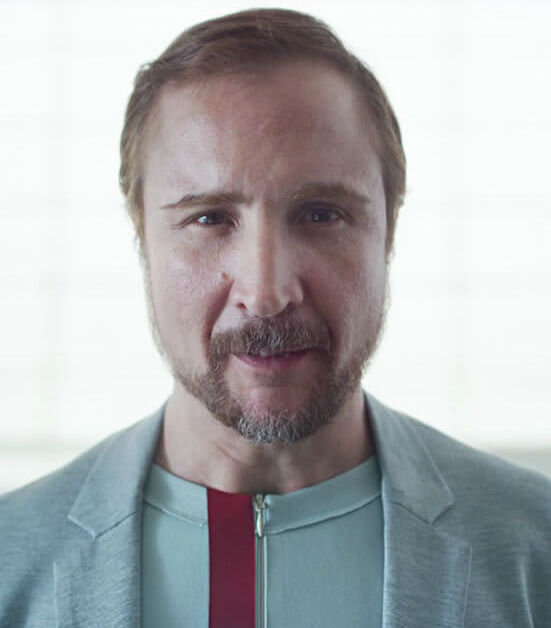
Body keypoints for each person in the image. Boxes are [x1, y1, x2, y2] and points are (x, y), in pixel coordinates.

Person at [1, 8, 550, 627]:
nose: (265, 293)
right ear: (142, 237)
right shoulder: (10, 564)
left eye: (321, 214)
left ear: (389, 232)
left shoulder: (538, 551)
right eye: (209, 218)